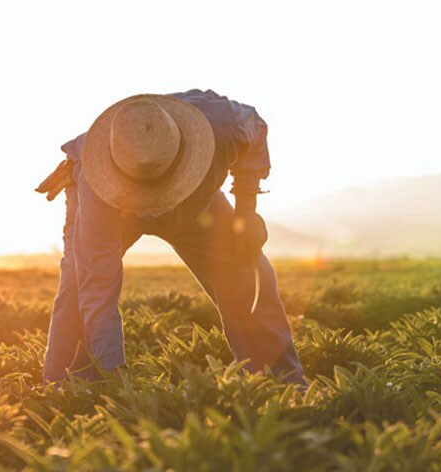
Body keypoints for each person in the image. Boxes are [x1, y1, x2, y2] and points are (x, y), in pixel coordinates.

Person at [35, 89, 304, 385]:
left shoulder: (223, 125)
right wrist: (113, 378)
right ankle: (76, 389)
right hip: (118, 206)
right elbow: (96, 289)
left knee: (246, 271)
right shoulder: (97, 187)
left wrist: (246, 210)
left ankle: (281, 384)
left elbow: (256, 130)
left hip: (194, 203)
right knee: (78, 286)